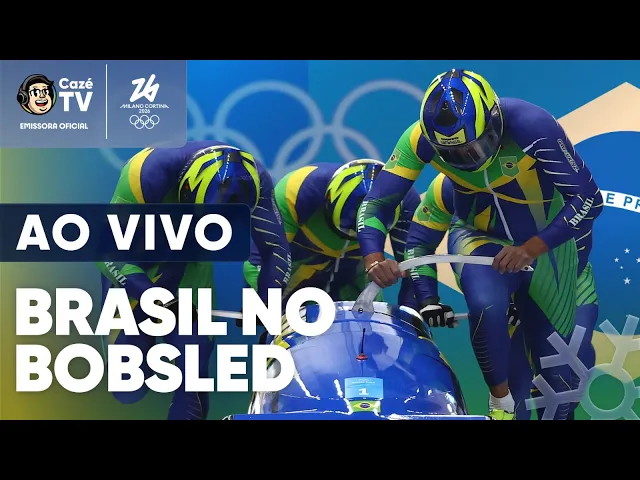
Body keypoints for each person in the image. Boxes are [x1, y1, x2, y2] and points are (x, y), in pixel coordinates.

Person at [357, 68, 603, 420]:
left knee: (561, 379)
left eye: (475, 146)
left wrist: (532, 248)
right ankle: (500, 402)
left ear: (494, 120)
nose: (467, 160)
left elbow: (588, 199)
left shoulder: (532, 126)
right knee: (485, 303)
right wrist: (374, 257)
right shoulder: (418, 141)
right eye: (452, 154)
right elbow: (379, 204)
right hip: (479, 236)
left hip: (548, 249)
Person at [98, 141, 291, 420]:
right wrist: (154, 298)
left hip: (189, 268)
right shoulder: (145, 172)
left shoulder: (256, 180)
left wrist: (265, 301)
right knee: (128, 387)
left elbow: (275, 249)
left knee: (193, 371)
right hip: (135, 266)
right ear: (188, 190)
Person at [406, 173, 599, 419]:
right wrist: (428, 301)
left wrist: (532, 295)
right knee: (515, 390)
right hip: (504, 276)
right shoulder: (447, 184)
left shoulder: (555, 183)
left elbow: (573, 253)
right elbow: (419, 242)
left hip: (567, 278)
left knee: (562, 382)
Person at [244, 159, 421, 310]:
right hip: (297, 267)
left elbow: (413, 271)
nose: (350, 235)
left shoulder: (405, 199)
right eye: (347, 226)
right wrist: (262, 303)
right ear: (328, 200)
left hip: (356, 273)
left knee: (368, 328)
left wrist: (412, 320)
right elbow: (262, 259)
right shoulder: (297, 189)